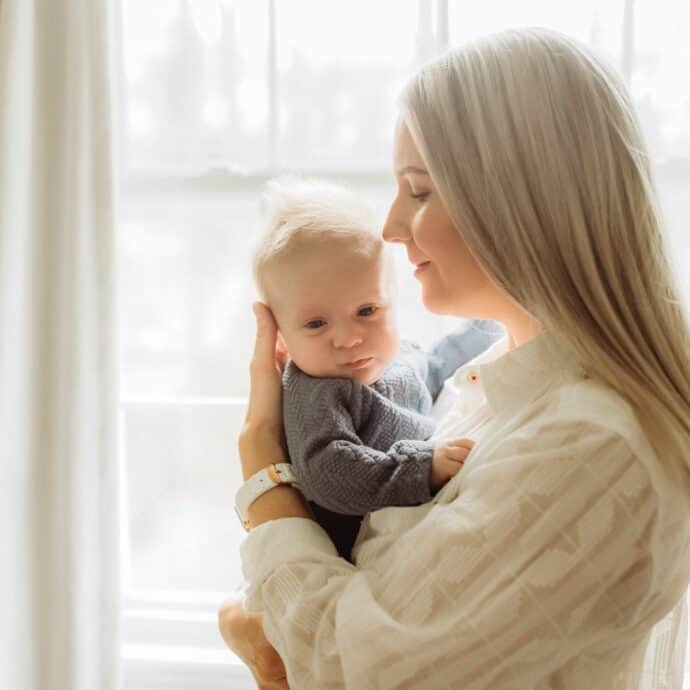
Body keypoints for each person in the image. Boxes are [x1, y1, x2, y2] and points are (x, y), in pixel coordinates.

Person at [219, 27, 690, 690]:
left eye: (417, 191)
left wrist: (262, 466)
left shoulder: (590, 443)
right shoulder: (491, 382)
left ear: (520, 203)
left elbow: (343, 667)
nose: (387, 227)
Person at [250, 177, 504, 560]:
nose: (350, 338)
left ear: (392, 300)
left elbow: (435, 368)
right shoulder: (316, 392)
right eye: (317, 324)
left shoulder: (398, 357)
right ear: (281, 339)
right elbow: (331, 473)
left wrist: (490, 321)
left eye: (367, 311)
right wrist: (422, 468)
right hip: (341, 562)